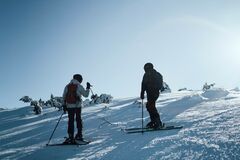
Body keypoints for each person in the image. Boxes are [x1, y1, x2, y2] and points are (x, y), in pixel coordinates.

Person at [62, 74, 91, 143]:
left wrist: (64, 105)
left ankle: (70, 136)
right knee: (78, 119)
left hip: (69, 106)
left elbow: (64, 96)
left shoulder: (67, 86)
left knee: (71, 121)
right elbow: (86, 95)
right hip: (77, 106)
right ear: (79, 79)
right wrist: (88, 88)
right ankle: (79, 135)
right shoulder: (79, 86)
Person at [140, 63, 164, 129]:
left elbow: (143, 84)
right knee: (149, 106)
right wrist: (142, 92)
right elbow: (143, 84)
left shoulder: (155, 74)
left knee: (151, 106)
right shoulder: (147, 75)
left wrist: (142, 92)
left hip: (154, 92)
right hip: (150, 93)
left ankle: (157, 123)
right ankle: (154, 122)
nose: (146, 69)